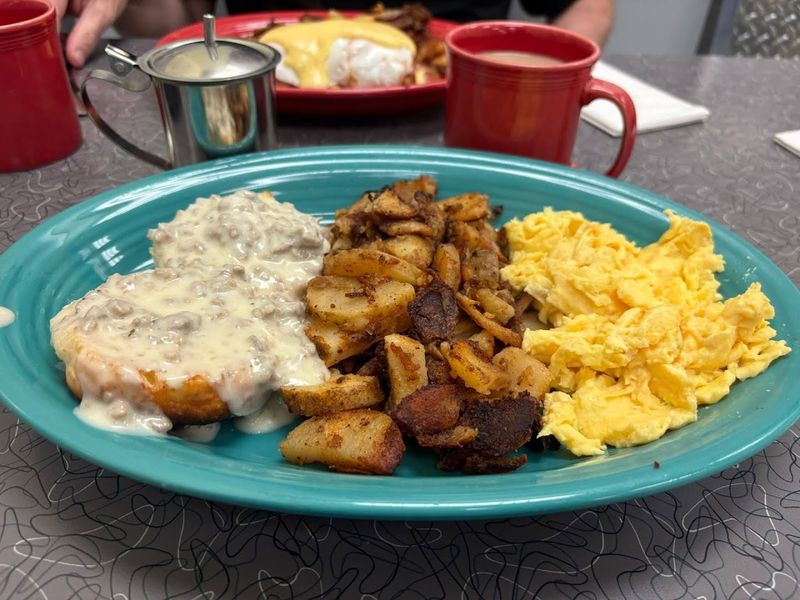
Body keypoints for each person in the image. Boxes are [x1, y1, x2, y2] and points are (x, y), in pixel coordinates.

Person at [53, 0, 614, 68]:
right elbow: (178, 15)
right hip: (256, 100)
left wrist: (539, 78)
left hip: (459, 109)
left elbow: (587, 4)